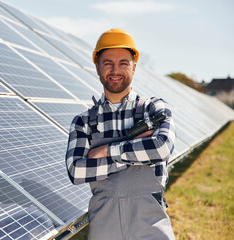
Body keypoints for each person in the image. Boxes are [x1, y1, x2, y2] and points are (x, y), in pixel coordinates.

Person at [65, 28, 176, 239]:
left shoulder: (153, 109)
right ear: (97, 67)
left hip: (150, 225)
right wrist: (135, 156)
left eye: (123, 63)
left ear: (134, 67)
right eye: (108, 63)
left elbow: (161, 147)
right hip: (104, 227)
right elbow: (76, 171)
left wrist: (107, 150)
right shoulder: (84, 121)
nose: (115, 70)